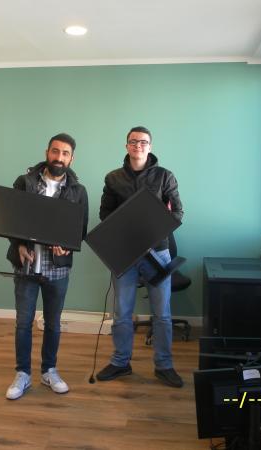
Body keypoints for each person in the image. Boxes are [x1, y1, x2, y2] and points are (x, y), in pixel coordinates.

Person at [96, 126, 184, 388]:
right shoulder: (113, 178)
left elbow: (177, 213)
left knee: (162, 313)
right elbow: (105, 215)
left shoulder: (165, 176)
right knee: (122, 312)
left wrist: (153, 230)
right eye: (133, 142)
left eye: (143, 142)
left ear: (150, 146)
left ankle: (164, 365)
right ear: (127, 146)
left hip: (158, 251)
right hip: (125, 252)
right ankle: (120, 362)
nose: (138, 146)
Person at [5, 133, 88, 400]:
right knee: (23, 323)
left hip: (58, 270)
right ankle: (23, 374)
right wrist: (19, 244)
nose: (59, 157)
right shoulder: (25, 182)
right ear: (47, 152)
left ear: (71, 158)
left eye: (65, 153)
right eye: (55, 151)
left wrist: (68, 245)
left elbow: (80, 230)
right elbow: (11, 219)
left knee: (53, 324)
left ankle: (49, 370)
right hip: (27, 267)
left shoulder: (78, 191)